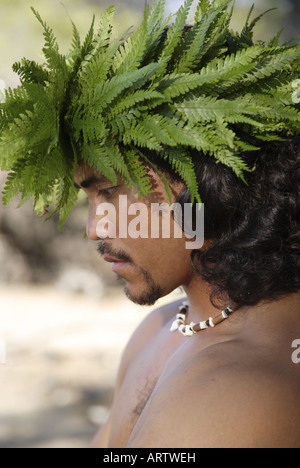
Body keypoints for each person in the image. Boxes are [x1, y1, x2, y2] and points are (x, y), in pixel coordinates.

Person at [1, 0, 300, 448]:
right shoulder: (161, 330)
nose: (95, 228)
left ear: (182, 185)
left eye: (107, 193)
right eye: (89, 198)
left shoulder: (240, 389)